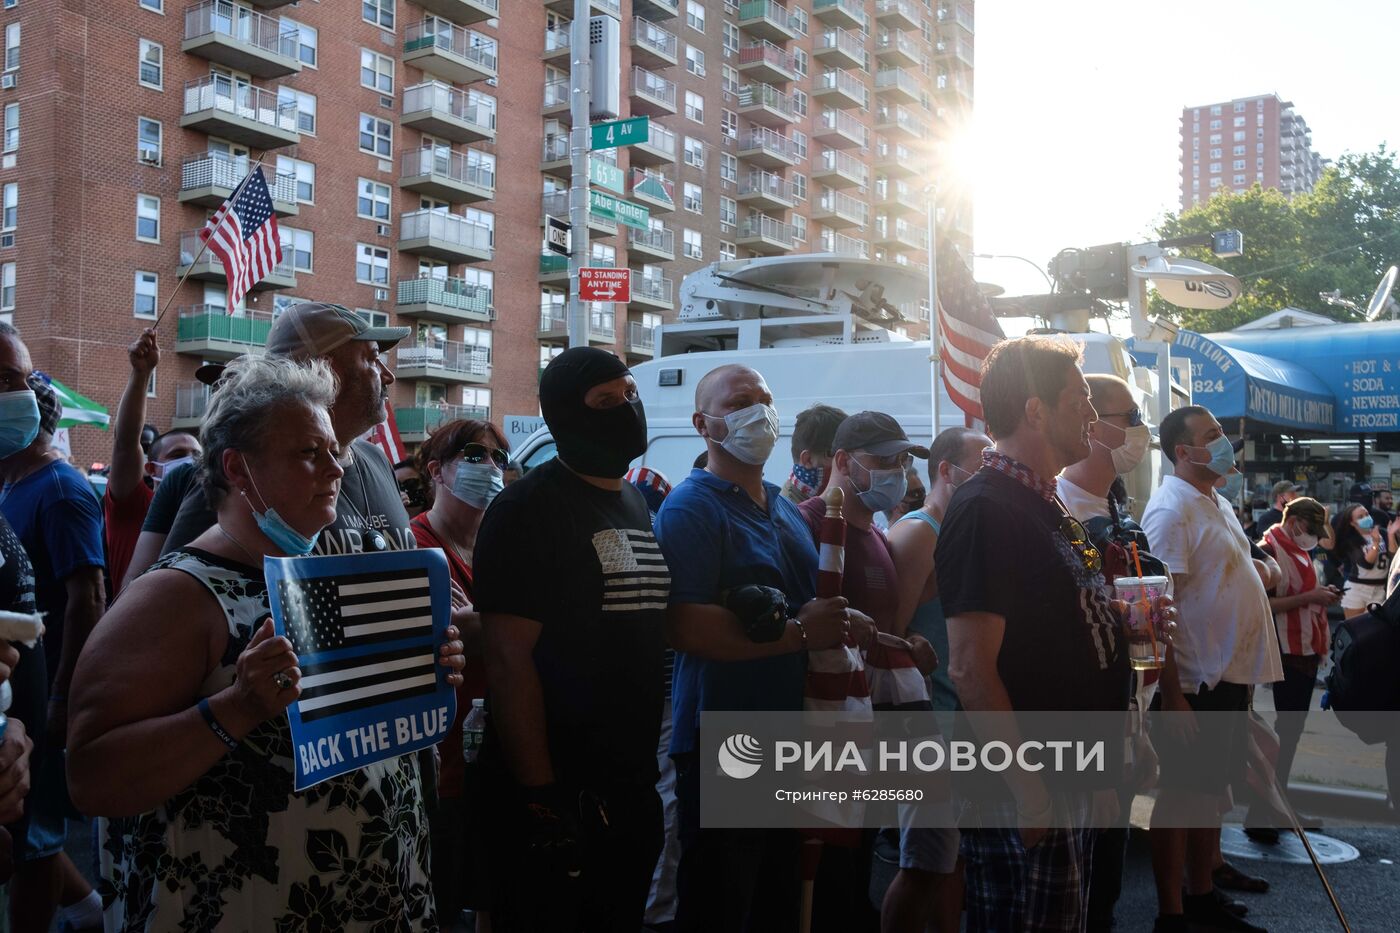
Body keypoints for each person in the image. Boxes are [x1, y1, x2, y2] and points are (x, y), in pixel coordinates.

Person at [66, 355, 466, 930]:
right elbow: (91, 778)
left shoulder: (329, 574)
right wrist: (237, 708)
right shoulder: (177, 596)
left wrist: (423, 671)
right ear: (238, 468)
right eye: (310, 453)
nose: (336, 469)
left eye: (336, 451)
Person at [937, 336, 1132, 932]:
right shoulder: (985, 508)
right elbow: (971, 669)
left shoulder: (1051, 506)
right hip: (1025, 785)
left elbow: (1071, 620)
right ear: (1035, 410)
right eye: (1080, 400)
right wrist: (1030, 792)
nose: (1094, 417)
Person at [655, 364, 857, 933]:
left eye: (766, 399)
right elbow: (685, 626)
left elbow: (805, 602)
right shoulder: (693, 507)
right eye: (740, 401)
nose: (760, 412)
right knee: (724, 904)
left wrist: (849, 622)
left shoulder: (783, 505)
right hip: (729, 737)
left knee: (778, 901)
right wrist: (798, 634)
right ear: (704, 424)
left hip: (794, 734)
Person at [474, 347, 668, 932]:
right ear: (564, 414)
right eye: (607, 401)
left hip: (629, 785)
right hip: (560, 791)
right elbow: (509, 662)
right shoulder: (527, 509)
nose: (626, 409)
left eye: (630, 394)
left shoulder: (632, 499)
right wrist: (541, 797)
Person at [1143, 405, 1281, 933]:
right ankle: (1171, 913)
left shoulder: (1213, 499)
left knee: (1208, 794)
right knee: (1182, 794)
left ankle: (1202, 894)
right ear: (1184, 452)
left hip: (1229, 677)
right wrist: (1173, 696)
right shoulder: (1170, 509)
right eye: (1213, 435)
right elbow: (1160, 611)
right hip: (1194, 682)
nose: (1224, 442)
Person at [161, 302, 417, 557]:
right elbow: (175, 580)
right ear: (327, 370)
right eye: (373, 359)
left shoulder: (378, 460)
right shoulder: (244, 474)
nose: (388, 376)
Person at [0, 326, 104, 933]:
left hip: (40, 704)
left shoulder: (62, 489)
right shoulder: (10, 485)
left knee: (35, 839)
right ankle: (90, 908)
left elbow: (89, 596)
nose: (16, 392)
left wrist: (64, 694)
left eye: (16, 381)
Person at [410, 418, 507, 931]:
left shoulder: (499, 547)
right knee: (444, 906)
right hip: (441, 766)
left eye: (498, 458)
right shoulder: (414, 544)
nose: (489, 467)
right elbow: (464, 630)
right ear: (436, 471)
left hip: (497, 759)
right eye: (474, 454)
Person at [1245, 497, 1340, 843]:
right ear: (1296, 521)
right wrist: (1311, 597)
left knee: (1290, 731)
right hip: (1286, 651)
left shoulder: (1293, 548)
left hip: (1303, 648)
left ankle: (1274, 804)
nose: (1313, 537)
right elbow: (1262, 602)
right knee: (1283, 733)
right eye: (1311, 530)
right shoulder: (1268, 548)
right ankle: (1264, 808)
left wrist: (1316, 595)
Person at [890, 426, 990, 716]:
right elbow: (890, 633)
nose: (992, 479)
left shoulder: (961, 530)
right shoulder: (919, 533)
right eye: (983, 468)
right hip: (929, 716)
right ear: (946, 471)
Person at [105, 328, 203, 594]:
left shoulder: (211, 512)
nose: (190, 463)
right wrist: (141, 374)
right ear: (151, 468)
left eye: (196, 455)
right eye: (177, 455)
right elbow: (125, 443)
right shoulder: (134, 504)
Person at [779, 402, 847, 505]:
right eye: (833, 454)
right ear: (808, 460)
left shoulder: (829, 501)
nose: (844, 463)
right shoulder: (789, 511)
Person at [1333, 501, 1388, 618]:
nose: (1366, 518)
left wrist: (1392, 534)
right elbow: (1367, 564)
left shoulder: (1382, 532)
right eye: (1360, 517)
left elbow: (1393, 554)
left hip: (1379, 588)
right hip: (1358, 588)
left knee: (1374, 630)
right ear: (1352, 523)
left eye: (1367, 514)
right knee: (1354, 629)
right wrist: (1376, 543)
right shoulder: (1351, 540)